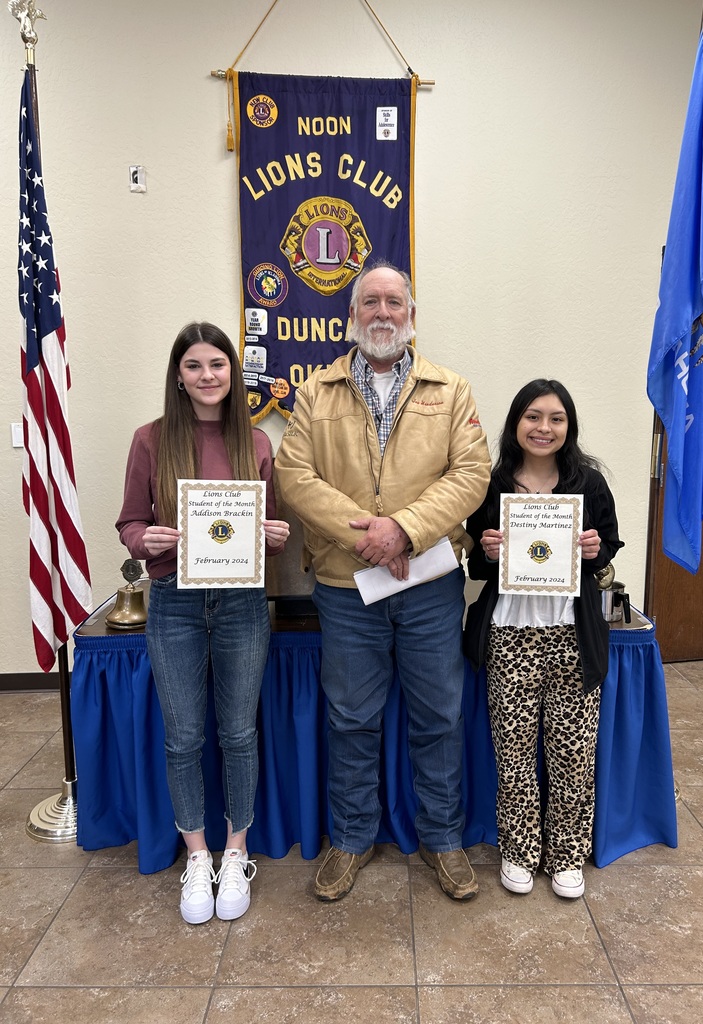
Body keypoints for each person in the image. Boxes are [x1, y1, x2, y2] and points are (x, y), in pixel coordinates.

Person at [275, 262, 491, 902]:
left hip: (428, 585)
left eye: (394, 302)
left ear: (412, 315)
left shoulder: (450, 391)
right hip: (347, 589)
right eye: (370, 301)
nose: (383, 313)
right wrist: (366, 536)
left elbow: (470, 474)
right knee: (350, 718)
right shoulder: (316, 392)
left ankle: (444, 841)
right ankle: (350, 838)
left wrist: (402, 528)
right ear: (352, 314)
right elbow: (295, 477)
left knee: (438, 716)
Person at [116, 321, 290, 925]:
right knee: (184, 737)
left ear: (232, 373)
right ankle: (197, 856)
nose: (208, 375)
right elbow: (130, 524)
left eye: (218, 364)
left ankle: (235, 851)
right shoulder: (150, 439)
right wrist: (148, 539)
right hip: (175, 601)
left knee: (239, 733)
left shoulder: (258, 443)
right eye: (195, 366)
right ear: (179, 376)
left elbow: (265, 537)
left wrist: (275, 535)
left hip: (242, 602)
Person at [464, 379, 623, 899]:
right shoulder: (493, 486)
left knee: (573, 753)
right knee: (513, 751)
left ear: (569, 427)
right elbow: (478, 565)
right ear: (516, 423)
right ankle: (518, 849)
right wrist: (487, 551)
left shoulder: (590, 485)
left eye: (556, 418)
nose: (544, 428)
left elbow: (605, 564)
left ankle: (567, 855)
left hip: (573, 635)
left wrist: (595, 552)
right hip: (511, 634)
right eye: (533, 417)